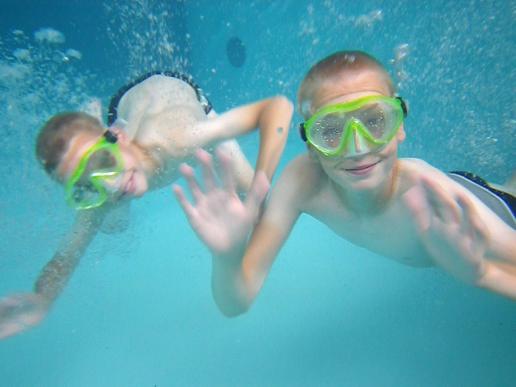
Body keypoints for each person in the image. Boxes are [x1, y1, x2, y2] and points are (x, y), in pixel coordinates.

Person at [174, 51, 516, 317]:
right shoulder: (303, 181)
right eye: (332, 131)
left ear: (399, 125)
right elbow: (238, 301)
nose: (357, 147)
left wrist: (485, 274)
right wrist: (228, 257)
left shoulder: (432, 197)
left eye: (375, 121)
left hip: (494, 206)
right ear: (310, 145)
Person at [0, 71, 293, 338]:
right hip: (125, 107)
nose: (110, 186)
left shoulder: (181, 138)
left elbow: (277, 108)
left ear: (120, 137)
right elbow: (66, 257)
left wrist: (259, 186)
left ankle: (98, 129)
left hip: (173, 92)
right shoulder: (107, 184)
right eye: (86, 186)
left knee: (255, 201)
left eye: (103, 162)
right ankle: (98, 133)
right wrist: (42, 299)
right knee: (112, 224)